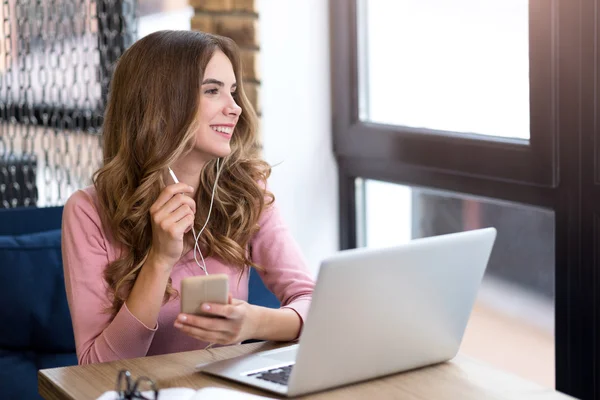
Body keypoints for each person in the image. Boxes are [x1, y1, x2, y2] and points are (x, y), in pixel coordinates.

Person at [61, 30, 315, 365]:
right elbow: (95, 367)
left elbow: (311, 300)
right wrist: (159, 260)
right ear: (162, 102)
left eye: (233, 92)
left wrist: (253, 322)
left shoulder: (246, 190)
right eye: (213, 90)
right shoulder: (88, 211)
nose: (235, 108)